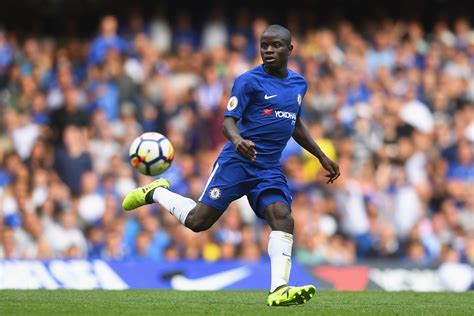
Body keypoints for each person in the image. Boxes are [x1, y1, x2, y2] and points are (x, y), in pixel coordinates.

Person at [122, 25, 340, 306]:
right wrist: (238, 141)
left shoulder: (299, 84)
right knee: (198, 222)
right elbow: (228, 122)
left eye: (275, 45)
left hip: (268, 169)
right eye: (264, 45)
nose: (268, 50)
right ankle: (157, 192)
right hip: (237, 162)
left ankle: (279, 289)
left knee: (283, 217)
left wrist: (320, 155)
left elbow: (294, 123)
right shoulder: (247, 81)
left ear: (290, 49)